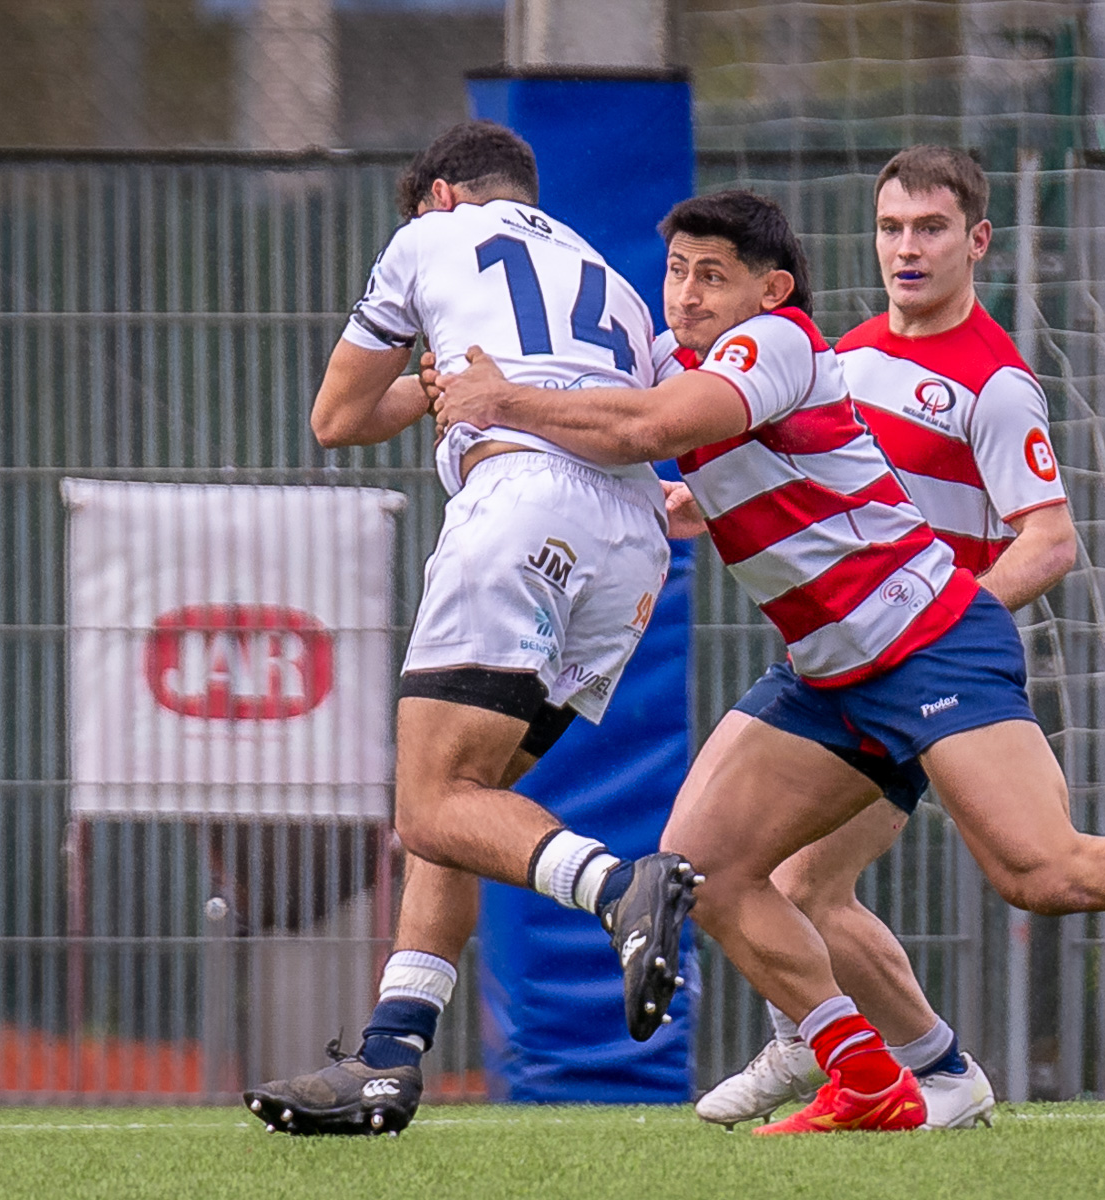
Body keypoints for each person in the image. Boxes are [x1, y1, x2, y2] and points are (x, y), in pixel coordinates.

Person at [436, 186, 1105, 1135]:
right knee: (704, 869)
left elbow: (646, 430)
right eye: (678, 272)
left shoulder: (776, 343)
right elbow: (665, 460)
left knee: (1043, 872)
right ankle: (869, 1071)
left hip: (933, 642)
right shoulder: (719, 356)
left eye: (713, 277)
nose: (684, 294)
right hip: (827, 674)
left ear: (771, 291)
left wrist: (500, 400)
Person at [243, 121, 698, 1137]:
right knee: (464, 799)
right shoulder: (612, 280)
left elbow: (338, 415)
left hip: (521, 495)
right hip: (630, 537)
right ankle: (389, 1054)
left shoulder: (432, 238)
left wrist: (430, 384)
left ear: (441, 196)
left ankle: (621, 888)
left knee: (430, 802)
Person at [687, 146, 1076, 1131]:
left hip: (925, 667)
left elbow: (1053, 538)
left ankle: (886, 1060)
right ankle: (855, 1051)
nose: (909, 248)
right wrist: (692, 499)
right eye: (893, 227)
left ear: (978, 241)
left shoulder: (993, 384)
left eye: (932, 228)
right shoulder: (841, 357)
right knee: (773, 875)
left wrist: (952, 623)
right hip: (839, 659)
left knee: (799, 880)